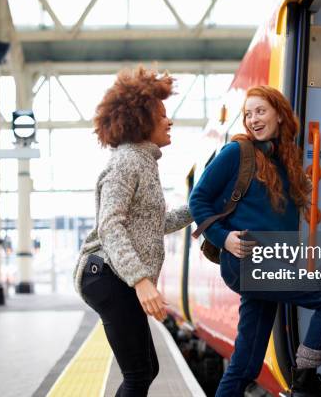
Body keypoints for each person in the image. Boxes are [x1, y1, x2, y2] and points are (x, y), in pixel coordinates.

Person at [189, 85, 321, 397]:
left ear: (279, 114)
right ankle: (305, 377)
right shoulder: (236, 152)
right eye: (248, 114)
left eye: (260, 111)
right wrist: (223, 239)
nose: (252, 119)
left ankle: (297, 380)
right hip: (246, 261)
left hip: (272, 262)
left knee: (246, 363)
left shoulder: (286, 157)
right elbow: (199, 199)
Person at [73, 66, 192, 396]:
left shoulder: (145, 161)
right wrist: (141, 282)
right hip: (107, 275)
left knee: (147, 370)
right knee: (139, 374)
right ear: (141, 120)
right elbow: (110, 224)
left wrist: (200, 209)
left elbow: (155, 223)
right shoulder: (127, 161)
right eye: (162, 115)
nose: (169, 122)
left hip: (116, 276)